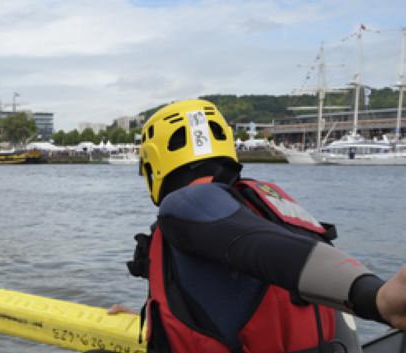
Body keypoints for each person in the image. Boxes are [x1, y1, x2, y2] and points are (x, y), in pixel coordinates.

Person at [108, 99, 406, 353]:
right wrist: (151, 318)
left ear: (153, 162)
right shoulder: (266, 203)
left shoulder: (186, 204)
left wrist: (377, 298)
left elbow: (257, 246)